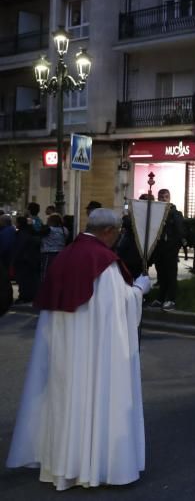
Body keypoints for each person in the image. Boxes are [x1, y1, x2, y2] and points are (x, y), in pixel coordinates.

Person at [6, 208, 150, 490]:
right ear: (108, 231)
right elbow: (117, 307)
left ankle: (62, 464)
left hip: (65, 350)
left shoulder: (66, 255)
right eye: (118, 232)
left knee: (65, 402)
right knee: (94, 401)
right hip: (94, 353)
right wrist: (140, 290)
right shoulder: (103, 262)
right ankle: (93, 464)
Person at [150, 188, 185, 311]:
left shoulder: (175, 214)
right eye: (160, 197)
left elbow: (179, 232)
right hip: (159, 249)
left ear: (169, 198)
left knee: (170, 275)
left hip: (170, 250)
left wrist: (174, 247)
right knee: (161, 275)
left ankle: (170, 299)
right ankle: (160, 298)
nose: (162, 199)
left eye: (165, 197)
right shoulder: (155, 212)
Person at [11, 215, 41, 304]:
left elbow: (19, 248)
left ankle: (24, 296)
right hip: (30, 260)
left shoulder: (21, 234)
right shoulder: (29, 232)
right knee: (30, 280)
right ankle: (30, 295)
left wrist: (14, 260)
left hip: (23, 260)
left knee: (23, 280)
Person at [39, 213, 69, 283]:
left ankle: (44, 288)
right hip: (61, 253)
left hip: (48, 253)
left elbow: (39, 234)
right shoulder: (64, 230)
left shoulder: (48, 229)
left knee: (46, 273)